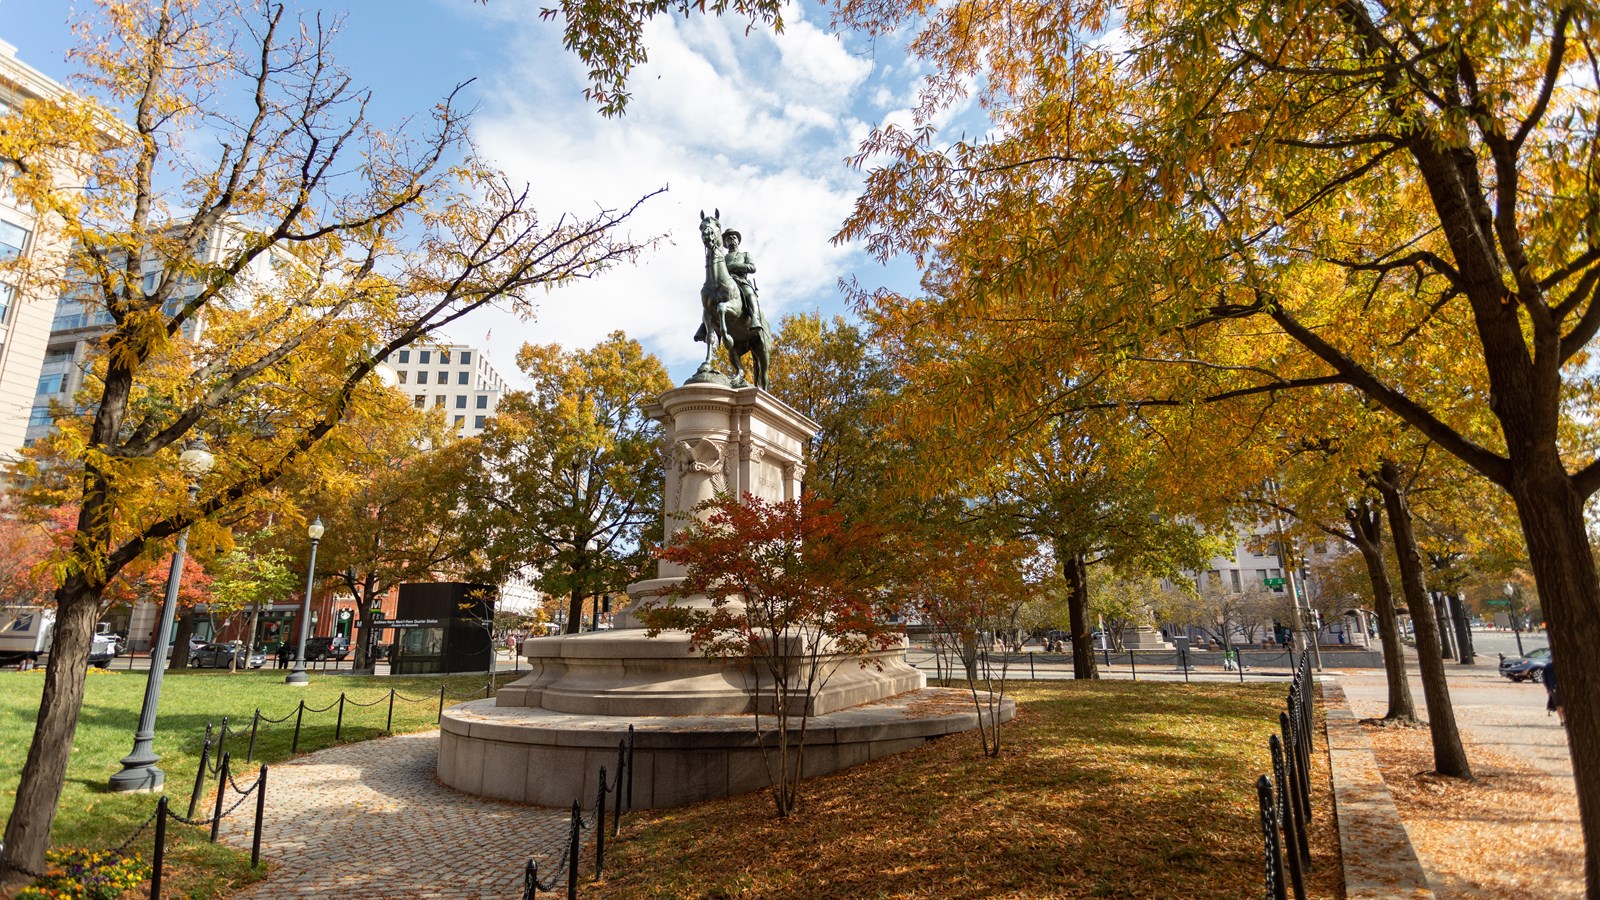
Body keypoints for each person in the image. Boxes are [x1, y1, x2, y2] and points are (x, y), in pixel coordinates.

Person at [721, 229, 765, 332]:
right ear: (725, 243)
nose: (731, 238)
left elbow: (752, 268)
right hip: (725, 283)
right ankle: (705, 325)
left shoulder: (745, 255)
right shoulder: (723, 258)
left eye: (734, 237)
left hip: (741, 281)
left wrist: (735, 265)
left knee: (750, 295)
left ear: (738, 241)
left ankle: (755, 319)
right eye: (728, 238)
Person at [1545, 659, 1564, 725]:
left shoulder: (1548, 666)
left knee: (1559, 705)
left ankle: (1562, 720)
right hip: (1555, 688)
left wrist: (1548, 688)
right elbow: (1545, 678)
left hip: (1554, 688)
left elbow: (1544, 678)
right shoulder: (1548, 667)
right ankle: (1562, 719)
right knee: (1560, 705)